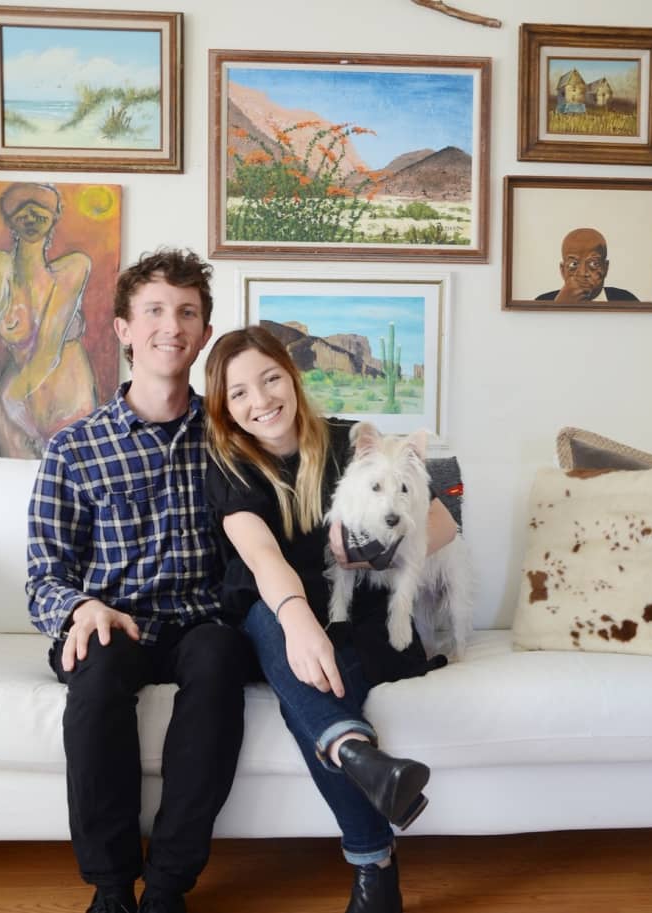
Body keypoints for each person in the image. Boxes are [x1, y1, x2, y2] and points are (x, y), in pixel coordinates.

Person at [27, 249, 253, 913]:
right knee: (94, 672)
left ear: (205, 332)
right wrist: (82, 606)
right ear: (123, 328)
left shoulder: (232, 432)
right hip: (115, 620)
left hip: (202, 621)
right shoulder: (74, 447)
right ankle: (109, 886)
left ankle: (168, 885)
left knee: (219, 657)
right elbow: (44, 573)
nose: (171, 325)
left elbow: (318, 458)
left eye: (187, 312)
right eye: (154, 310)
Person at [203, 325, 457, 913]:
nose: (260, 401)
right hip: (275, 617)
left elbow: (443, 521)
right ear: (223, 405)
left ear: (292, 378)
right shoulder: (228, 465)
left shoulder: (353, 443)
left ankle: (357, 785)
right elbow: (262, 558)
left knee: (306, 699)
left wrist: (375, 552)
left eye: (270, 379)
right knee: (276, 626)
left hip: (362, 621)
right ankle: (368, 807)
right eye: (238, 392)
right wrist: (299, 622)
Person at [0, 182, 97, 457]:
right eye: (22, 214)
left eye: (39, 214)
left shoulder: (73, 268)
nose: (30, 220)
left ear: (54, 217)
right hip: (14, 408)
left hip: (66, 403)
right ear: (10, 220)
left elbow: (48, 351)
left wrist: (10, 398)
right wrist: (9, 404)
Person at [535, 227, 638, 303]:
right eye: (573, 264)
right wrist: (560, 306)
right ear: (562, 270)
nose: (583, 273)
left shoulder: (627, 300)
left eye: (593, 263)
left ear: (605, 268)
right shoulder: (542, 302)